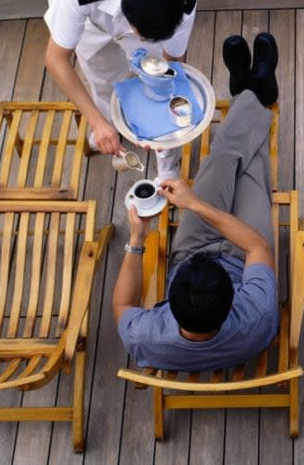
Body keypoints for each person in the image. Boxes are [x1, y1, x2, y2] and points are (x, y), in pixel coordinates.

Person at [112, 33, 280, 372]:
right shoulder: (255, 313)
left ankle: (250, 92)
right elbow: (258, 248)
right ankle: (253, 93)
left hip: (191, 249)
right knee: (246, 166)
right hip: (244, 256)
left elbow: (122, 305)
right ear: (233, 301)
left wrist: (136, 240)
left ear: (169, 306)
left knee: (226, 159)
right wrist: (194, 205)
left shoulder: (149, 337)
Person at [43, 0, 197, 181]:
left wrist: (166, 113)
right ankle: (108, 126)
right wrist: (96, 122)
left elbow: (172, 65)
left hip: (147, 16)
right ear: (129, 21)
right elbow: (55, 59)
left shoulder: (183, 5)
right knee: (103, 79)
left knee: (159, 78)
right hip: (89, 23)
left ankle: (167, 161)